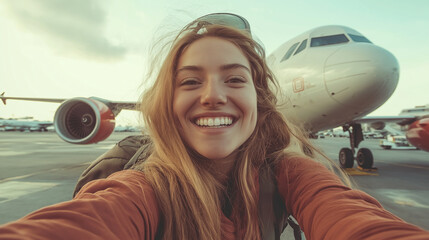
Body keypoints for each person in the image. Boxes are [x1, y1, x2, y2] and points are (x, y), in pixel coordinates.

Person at [1, 13, 428, 240]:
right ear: (167, 103)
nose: (212, 96)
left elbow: (353, 219)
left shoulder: (298, 174)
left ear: (260, 96)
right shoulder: (140, 183)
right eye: (190, 81)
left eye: (234, 79)